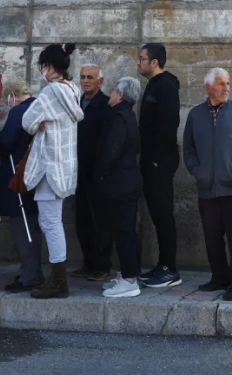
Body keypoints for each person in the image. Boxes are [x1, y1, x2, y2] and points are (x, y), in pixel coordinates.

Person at [183, 67, 232, 302]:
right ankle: (219, 277)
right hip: (207, 188)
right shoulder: (195, 115)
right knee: (212, 235)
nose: (226, 88)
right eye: (221, 84)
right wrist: (199, 172)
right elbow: (188, 149)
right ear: (208, 88)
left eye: (227, 83)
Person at [23, 44, 85, 300]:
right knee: (53, 222)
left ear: (49, 66)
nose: (42, 71)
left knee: (50, 223)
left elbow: (27, 121)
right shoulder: (74, 90)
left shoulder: (50, 94)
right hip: (65, 166)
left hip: (49, 166)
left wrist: (41, 125)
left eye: (43, 66)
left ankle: (58, 281)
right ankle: (58, 279)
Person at [135, 42, 182, 288]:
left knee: (163, 215)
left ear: (154, 62)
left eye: (142, 58)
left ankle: (170, 269)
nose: (138, 62)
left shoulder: (165, 85)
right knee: (157, 213)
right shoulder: (154, 85)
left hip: (160, 162)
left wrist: (156, 157)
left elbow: (169, 123)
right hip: (152, 161)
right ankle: (163, 264)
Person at [0, 79, 43, 293]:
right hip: (35, 176)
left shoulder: (18, 112)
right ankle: (33, 272)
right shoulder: (38, 106)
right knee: (32, 225)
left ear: (12, 94)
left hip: (17, 174)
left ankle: (29, 276)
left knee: (23, 228)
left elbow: (6, 143)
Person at [96, 77, 144, 298]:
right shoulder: (128, 115)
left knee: (124, 231)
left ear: (121, 95)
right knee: (124, 229)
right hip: (127, 181)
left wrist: (101, 173)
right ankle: (128, 273)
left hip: (120, 183)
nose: (111, 93)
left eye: (114, 90)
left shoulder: (119, 117)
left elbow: (111, 151)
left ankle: (129, 280)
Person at [72, 63, 113, 282]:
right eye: (82, 77)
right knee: (82, 221)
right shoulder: (76, 103)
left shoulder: (106, 105)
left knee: (101, 222)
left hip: (97, 174)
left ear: (100, 81)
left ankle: (102, 265)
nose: (85, 80)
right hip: (77, 172)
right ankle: (88, 263)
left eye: (90, 77)